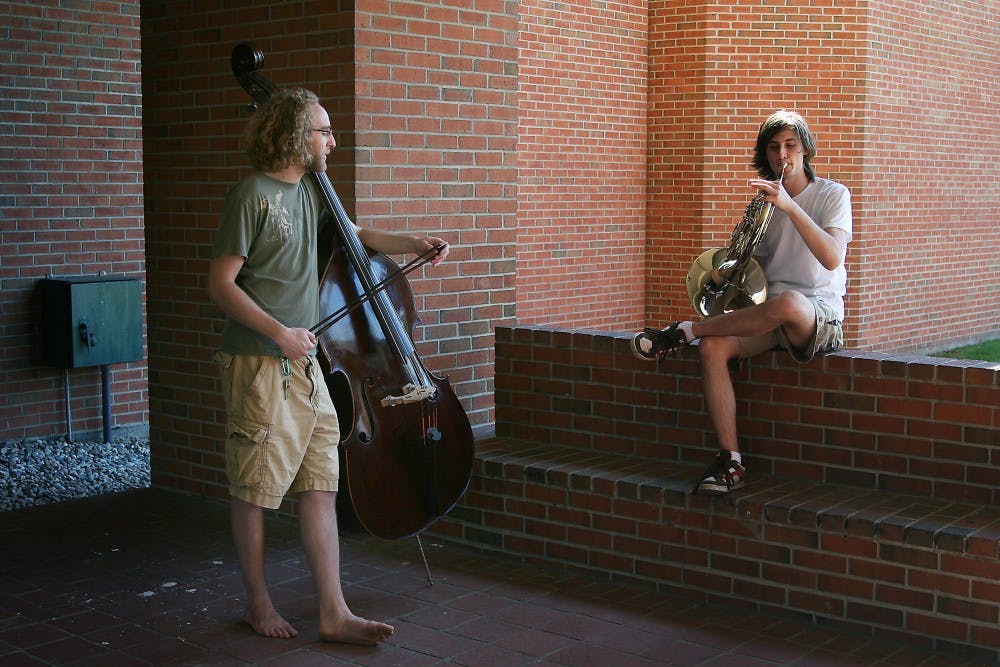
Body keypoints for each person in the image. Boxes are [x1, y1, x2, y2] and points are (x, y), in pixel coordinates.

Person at [207, 87, 448, 644]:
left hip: (306, 361)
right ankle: (257, 603)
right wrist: (277, 332)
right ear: (296, 134)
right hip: (259, 362)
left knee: (320, 484)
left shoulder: (313, 195)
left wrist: (413, 243)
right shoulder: (252, 195)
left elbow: (357, 237)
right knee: (254, 489)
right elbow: (220, 285)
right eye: (324, 131)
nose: (332, 141)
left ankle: (333, 612)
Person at [631, 109, 852, 496]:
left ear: (805, 150)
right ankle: (730, 461)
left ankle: (684, 332)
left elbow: (832, 256)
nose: (782, 155)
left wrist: (789, 206)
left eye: (790, 146)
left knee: (789, 303)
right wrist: (726, 276)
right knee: (714, 347)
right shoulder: (766, 205)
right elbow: (758, 273)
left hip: (817, 314)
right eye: (773, 148)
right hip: (771, 316)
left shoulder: (832, 195)